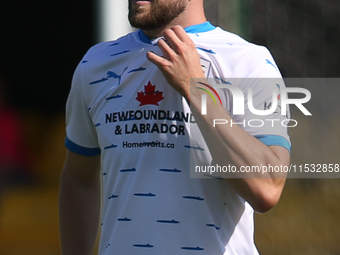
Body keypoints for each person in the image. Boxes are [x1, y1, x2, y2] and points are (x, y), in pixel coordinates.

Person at [59, 0, 291, 254]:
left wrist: (196, 89)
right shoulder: (96, 64)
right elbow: (79, 176)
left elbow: (267, 188)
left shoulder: (248, 61)